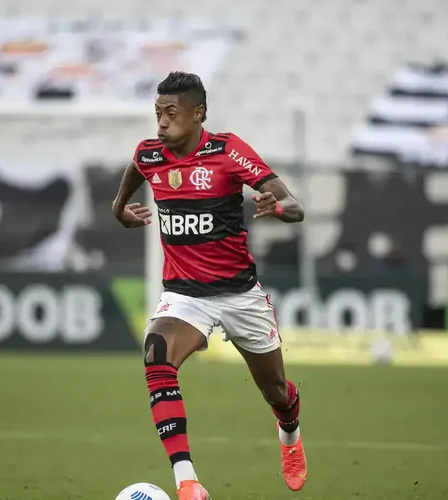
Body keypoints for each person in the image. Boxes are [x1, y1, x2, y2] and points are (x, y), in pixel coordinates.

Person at [111, 72, 307, 500]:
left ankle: (289, 431)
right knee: (156, 354)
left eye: (171, 114)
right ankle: (188, 481)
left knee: (275, 390)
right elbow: (133, 171)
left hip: (240, 295)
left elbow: (295, 205)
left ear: (198, 114)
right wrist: (120, 208)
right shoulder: (150, 154)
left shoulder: (228, 151)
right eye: (157, 113)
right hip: (185, 296)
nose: (161, 123)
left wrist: (280, 206)